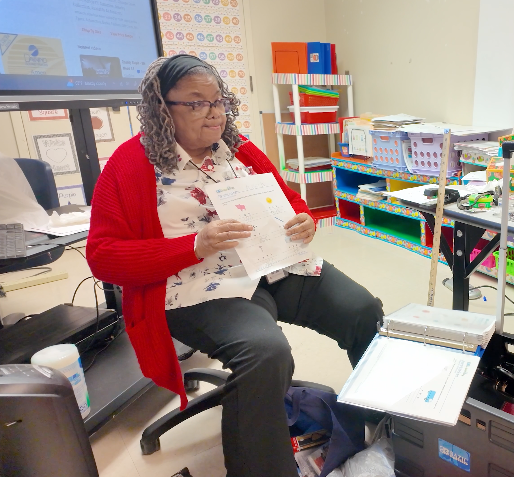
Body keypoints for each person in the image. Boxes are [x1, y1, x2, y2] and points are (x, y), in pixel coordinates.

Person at [86, 54, 382, 477]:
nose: (214, 112)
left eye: (219, 100)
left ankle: (389, 425)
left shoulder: (238, 148)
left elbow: (286, 199)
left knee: (362, 310)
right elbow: (102, 256)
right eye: (196, 102)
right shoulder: (131, 164)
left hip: (275, 265)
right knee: (265, 353)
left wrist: (303, 219)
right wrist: (193, 246)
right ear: (160, 109)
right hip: (198, 284)